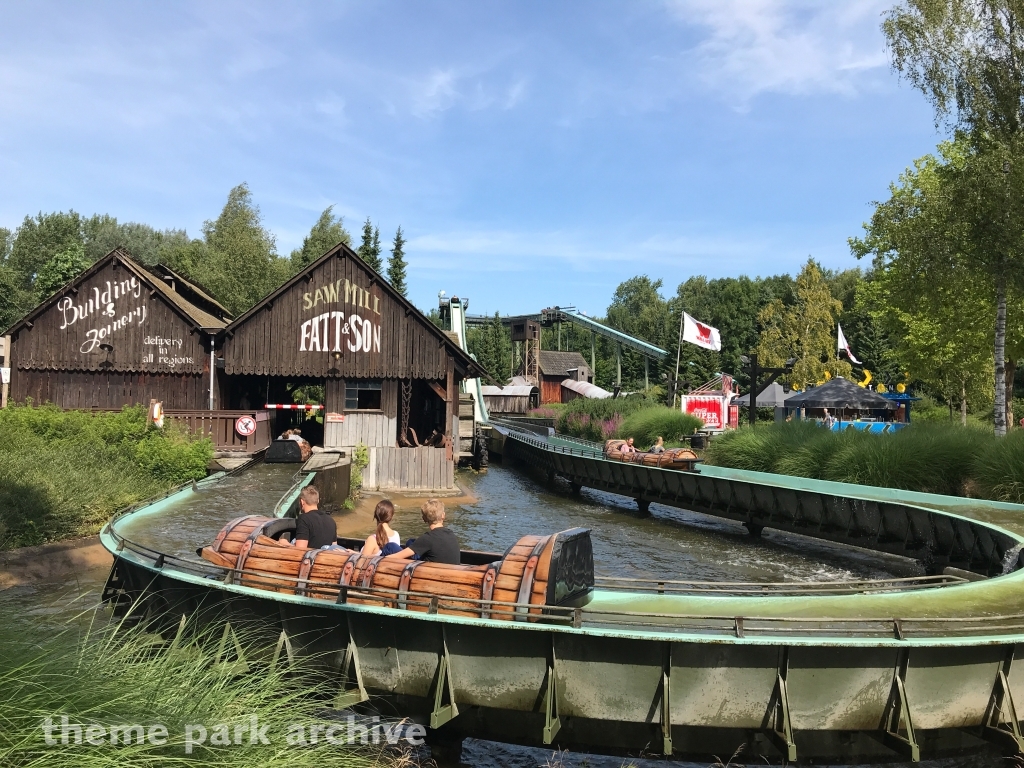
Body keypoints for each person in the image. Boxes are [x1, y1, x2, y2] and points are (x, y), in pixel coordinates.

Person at [387, 498, 460, 565]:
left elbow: (397, 556)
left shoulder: (427, 538)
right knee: (411, 542)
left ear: (424, 519)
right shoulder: (451, 534)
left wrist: (377, 558)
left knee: (390, 546)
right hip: (449, 574)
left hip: (428, 575)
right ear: (443, 515)